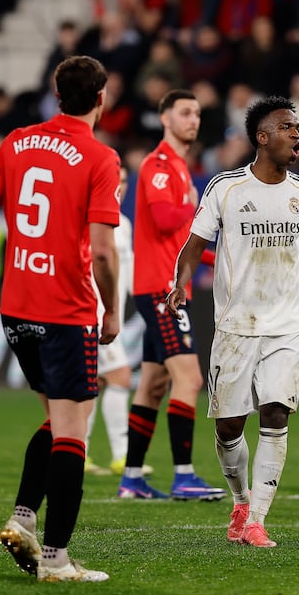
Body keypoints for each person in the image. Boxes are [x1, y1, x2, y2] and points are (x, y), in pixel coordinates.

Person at [0, 55, 120, 583]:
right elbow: (102, 252)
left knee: (56, 418)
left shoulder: (17, 141)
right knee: (75, 429)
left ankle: (23, 518)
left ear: (54, 92)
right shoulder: (99, 157)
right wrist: (111, 307)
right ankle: (56, 560)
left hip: (16, 309)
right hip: (66, 310)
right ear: (101, 99)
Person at [167, 95, 299, 547]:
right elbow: (194, 245)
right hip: (236, 325)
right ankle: (240, 501)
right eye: (287, 127)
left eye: (298, 127)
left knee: (276, 414)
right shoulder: (226, 188)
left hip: (288, 325)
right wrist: (181, 281)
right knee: (229, 427)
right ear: (263, 138)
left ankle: (257, 519)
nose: (296, 133)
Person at [117, 88, 225, 502]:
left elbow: (180, 237)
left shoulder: (181, 167)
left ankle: (131, 479)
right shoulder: (159, 165)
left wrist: (218, 258)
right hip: (164, 290)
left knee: (154, 384)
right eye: (184, 112)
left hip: (167, 284)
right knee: (190, 377)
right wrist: (201, 211)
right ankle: (184, 475)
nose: (193, 119)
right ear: (165, 118)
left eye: (197, 112)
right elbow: (165, 219)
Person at [84, 166, 143, 477]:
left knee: (96, 381)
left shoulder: (124, 223)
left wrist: (141, 299)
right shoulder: (93, 220)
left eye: (124, 182)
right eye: (115, 181)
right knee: (118, 376)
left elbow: (128, 271)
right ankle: (121, 455)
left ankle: (81, 449)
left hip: (111, 314)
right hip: (93, 313)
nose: (120, 187)